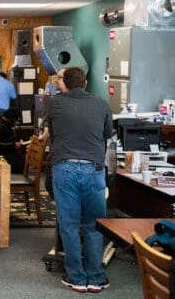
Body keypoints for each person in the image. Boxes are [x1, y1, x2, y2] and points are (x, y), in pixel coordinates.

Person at [46, 67, 112, 293]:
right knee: (94, 225)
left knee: (69, 226)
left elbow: (53, 135)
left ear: (65, 82)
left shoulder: (54, 103)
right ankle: (96, 278)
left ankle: (76, 278)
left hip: (64, 168)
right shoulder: (102, 103)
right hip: (94, 169)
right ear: (84, 83)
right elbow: (107, 134)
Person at [0, 108, 25, 174]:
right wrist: (14, 145)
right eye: (15, 120)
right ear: (11, 118)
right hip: (0, 154)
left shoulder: (7, 124)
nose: (15, 123)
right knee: (20, 164)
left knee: (22, 161)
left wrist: (18, 139)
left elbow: (10, 137)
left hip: (8, 151)